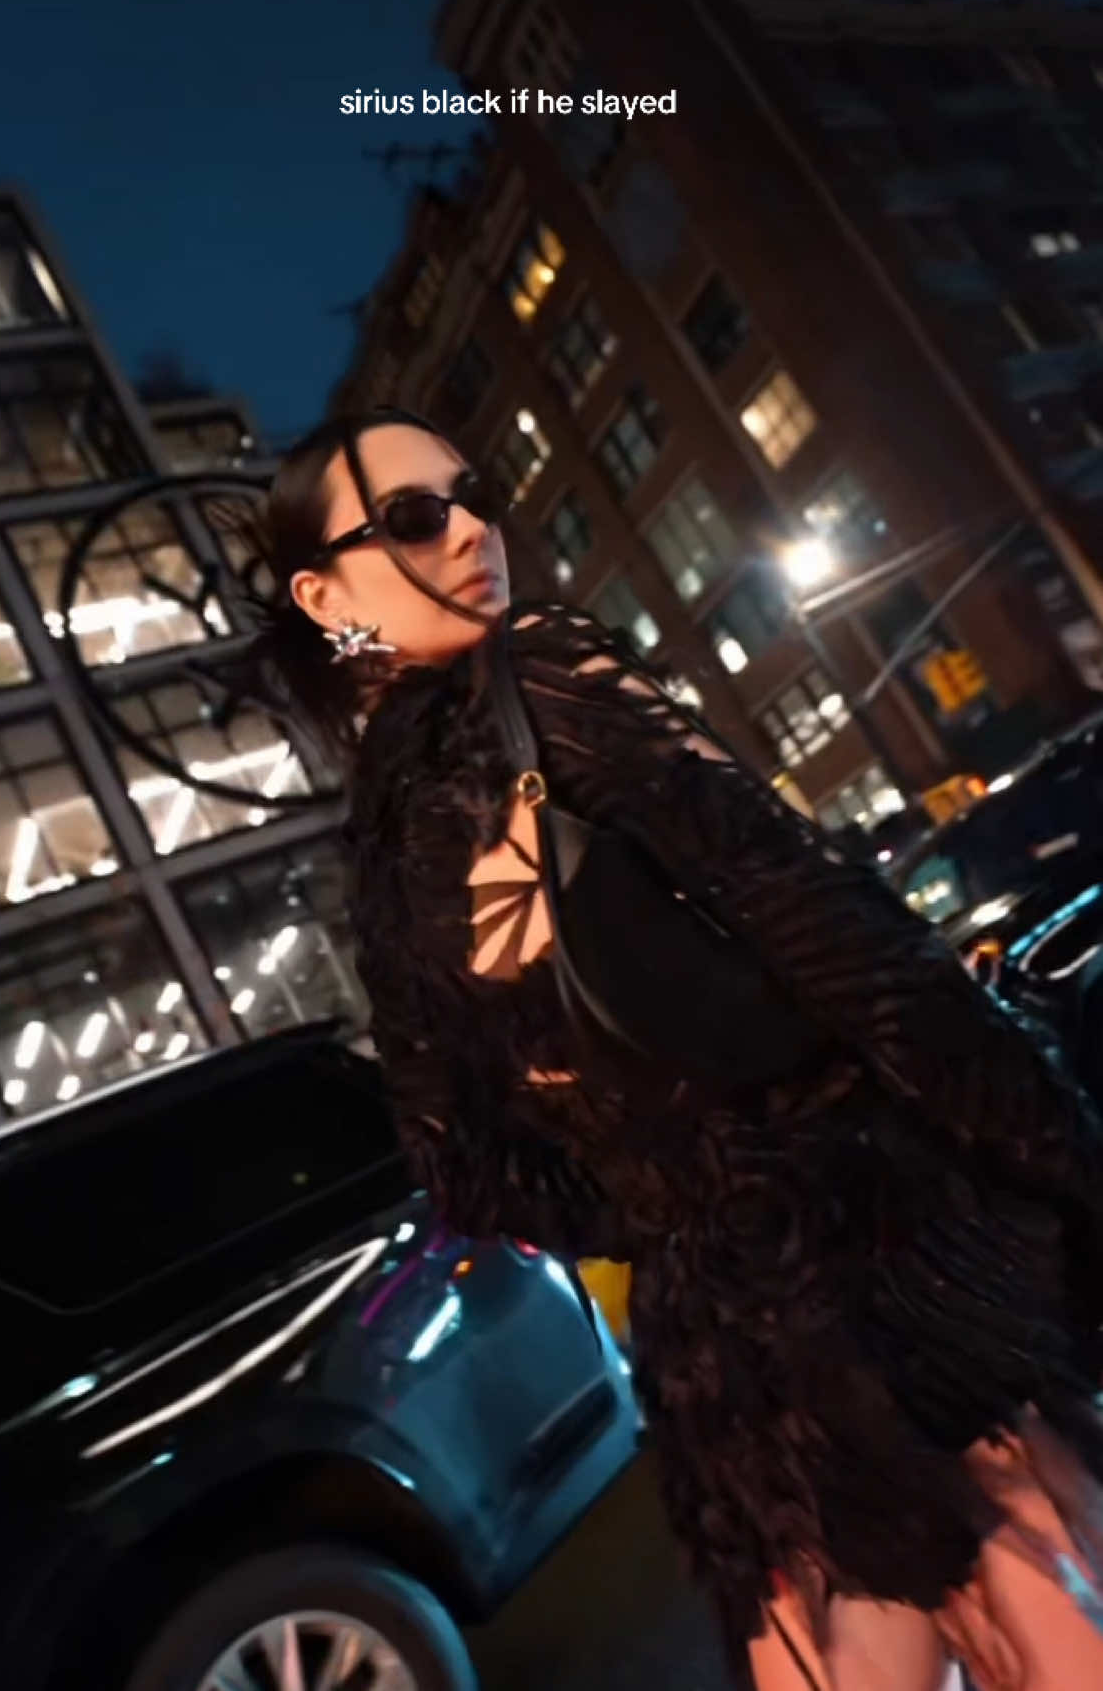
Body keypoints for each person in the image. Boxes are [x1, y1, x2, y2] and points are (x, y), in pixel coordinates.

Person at [248, 407, 1103, 1690]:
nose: (473, 530)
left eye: (476, 495)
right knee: (1053, 1614)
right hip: (879, 1250)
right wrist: (1053, 1140)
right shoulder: (546, 679)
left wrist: (671, 1199)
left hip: (723, 1353)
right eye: (417, 517)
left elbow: (464, 1164)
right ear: (323, 594)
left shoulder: (381, 854)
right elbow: (835, 930)